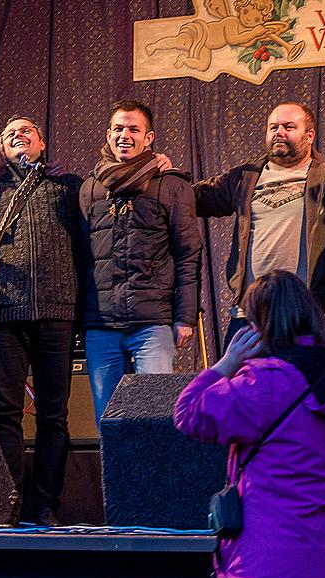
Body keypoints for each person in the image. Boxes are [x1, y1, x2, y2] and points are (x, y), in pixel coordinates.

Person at [175, 270, 325, 578]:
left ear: (260, 327)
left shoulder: (263, 385)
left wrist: (227, 363)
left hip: (269, 570)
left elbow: (188, 412)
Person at [0, 115, 82, 526]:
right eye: (10, 134)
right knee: (5, 413)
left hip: (57, 313)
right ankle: (8, 502)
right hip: (5, 315)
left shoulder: (67, 188)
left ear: (42, 142)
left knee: (54, 414)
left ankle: (46, 505)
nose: (18, 137)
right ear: (1, 148)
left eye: (27, 132)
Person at [195, 101, 325, 349]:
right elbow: (192, 199)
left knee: (305, 386)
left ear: (309, 136)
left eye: (288, 127)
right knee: (240, 385)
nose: (279, 132)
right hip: (252, 313)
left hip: (307, 311)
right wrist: (163, 178)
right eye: (273, 127)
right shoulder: (245, 176)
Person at [80, 100, 202, 422]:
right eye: (118, 128)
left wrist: (185, 316)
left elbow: (188, 254)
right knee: (109, 422)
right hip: (101, 324)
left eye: (134, 129)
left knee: (155, 420)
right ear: (108, 135)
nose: (125, 135)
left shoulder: (172, 185)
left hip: (153, 324)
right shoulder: (90, 187)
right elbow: (81, 256)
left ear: (148, 138)